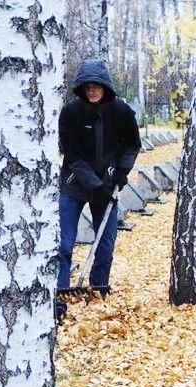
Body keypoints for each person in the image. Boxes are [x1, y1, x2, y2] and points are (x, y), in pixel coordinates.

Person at [56, 59, 141, 311]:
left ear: (105, 87)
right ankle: (60, 294)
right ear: (81, 88)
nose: (92, 90)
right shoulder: (70, 113)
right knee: (64, 242)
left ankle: (98, 289)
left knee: (105, 243)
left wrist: (122, 171)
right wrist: (92, 184)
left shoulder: (122, 112)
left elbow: (132, 145)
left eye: (97, 86)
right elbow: (71, 155)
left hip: (107, 185)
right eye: (87, 86)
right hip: (74, 183)